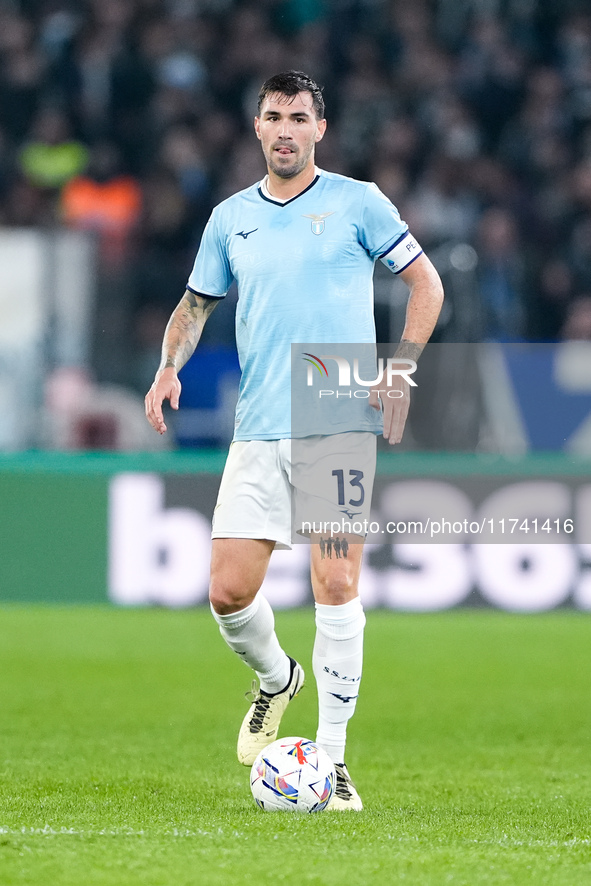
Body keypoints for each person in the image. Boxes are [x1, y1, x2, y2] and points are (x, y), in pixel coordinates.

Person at [145, 71, 443, 810]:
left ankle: (335, 765)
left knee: (335, 585)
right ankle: (278, 678)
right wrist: (165, 368)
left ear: (319, 129)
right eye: (272, 115)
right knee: (226, 593)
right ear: (256, 127)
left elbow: (427, 285)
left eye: (298, 117)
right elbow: (193, 306)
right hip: (259, 422)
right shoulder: (229, 218)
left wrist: (398, 367)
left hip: (335, 412)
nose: (284, 128)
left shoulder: (358, 203)